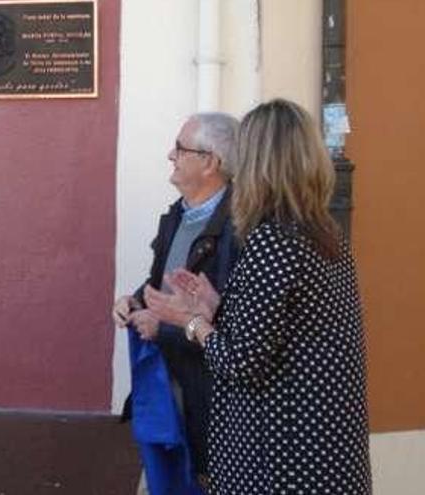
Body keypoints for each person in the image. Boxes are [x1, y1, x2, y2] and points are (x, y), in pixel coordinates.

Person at [145, 99, 371, 494]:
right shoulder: (325, 232)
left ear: (257, 163)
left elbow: (241, 363)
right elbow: (298, 330)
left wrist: (192, 322)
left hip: (280, 457)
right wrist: (219, 307)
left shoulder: (274, 239)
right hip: (327, 450)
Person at [113, 112, 240, 493]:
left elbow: (230, 319)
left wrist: (162, 326)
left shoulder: (240, 227)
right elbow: (162, 283)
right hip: (167, 391)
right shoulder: (176, 216)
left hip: (210, 403)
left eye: (181, 149)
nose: (171, 155)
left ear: (210, 163)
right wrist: (134, 302)